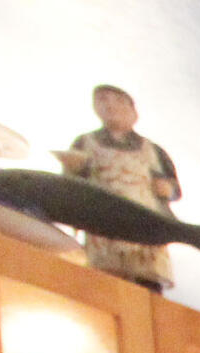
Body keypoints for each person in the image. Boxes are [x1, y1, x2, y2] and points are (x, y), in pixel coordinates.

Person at [56, 85, 183, 291]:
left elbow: (174, 189)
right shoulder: (85, 143)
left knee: (146, 293)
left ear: (132, 110)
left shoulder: (152, 150)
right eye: (102, 101)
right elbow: (68, 188)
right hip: (103, 234)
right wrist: (73, 171)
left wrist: (166, 188)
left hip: (145, 236)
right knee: (105, 289)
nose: (108, 106)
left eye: (116, 101)